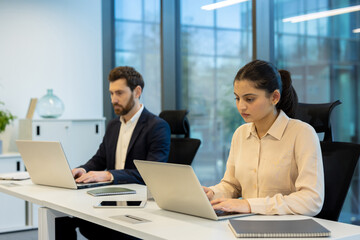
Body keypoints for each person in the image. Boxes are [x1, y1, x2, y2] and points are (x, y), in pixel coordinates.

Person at [56, 66, 171, 240]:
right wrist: (83, 170)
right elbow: (99, 159)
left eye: (119, 93)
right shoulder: (113, 125)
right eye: (111, 93)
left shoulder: (157, 126)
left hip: (138, 205)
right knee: (61, 220)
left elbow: (152, 174)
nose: (113, 99)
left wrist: (108, 175)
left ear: (137, 91)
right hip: (111, 199)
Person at [203, 60, 324, 216]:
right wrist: (212, 193)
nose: (241, 106)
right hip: (247, 224)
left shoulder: (302, 133)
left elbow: (311, 200)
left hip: (287, 229)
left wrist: (249, 205)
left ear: (274, 97)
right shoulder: (240, 134)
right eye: (237, 98)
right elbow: (232, 185)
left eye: (249, 99)